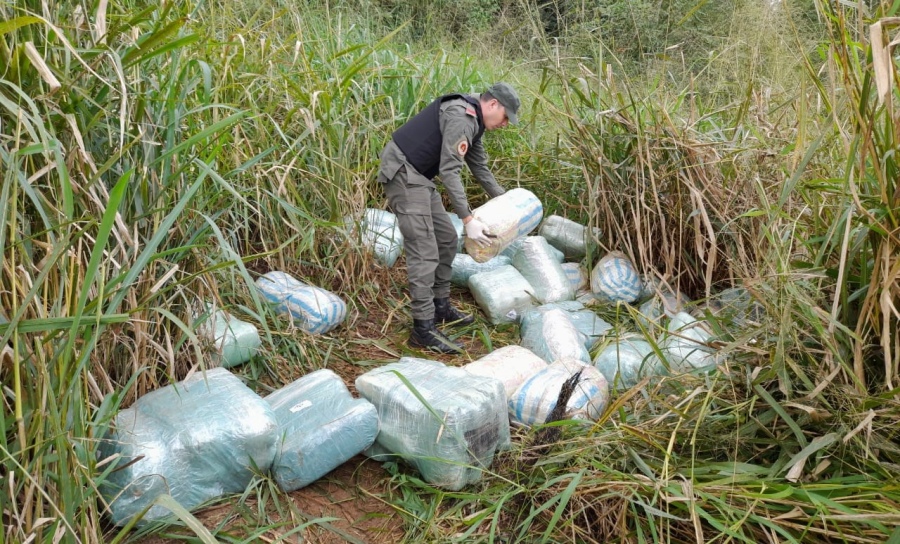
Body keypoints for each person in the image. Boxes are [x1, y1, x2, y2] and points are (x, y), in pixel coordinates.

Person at [376, 82, 521, 353]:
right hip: (404, 173)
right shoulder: (462, 117)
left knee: (446, 238)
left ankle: (440, 305)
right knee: (424, 251)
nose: (505, 124)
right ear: (493, 104)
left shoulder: (475, 122)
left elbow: (479, 167)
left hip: (419, 177)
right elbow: (449, 171)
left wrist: (507, 201)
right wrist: (467, 219)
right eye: (505, 117)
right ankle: (422, 329)